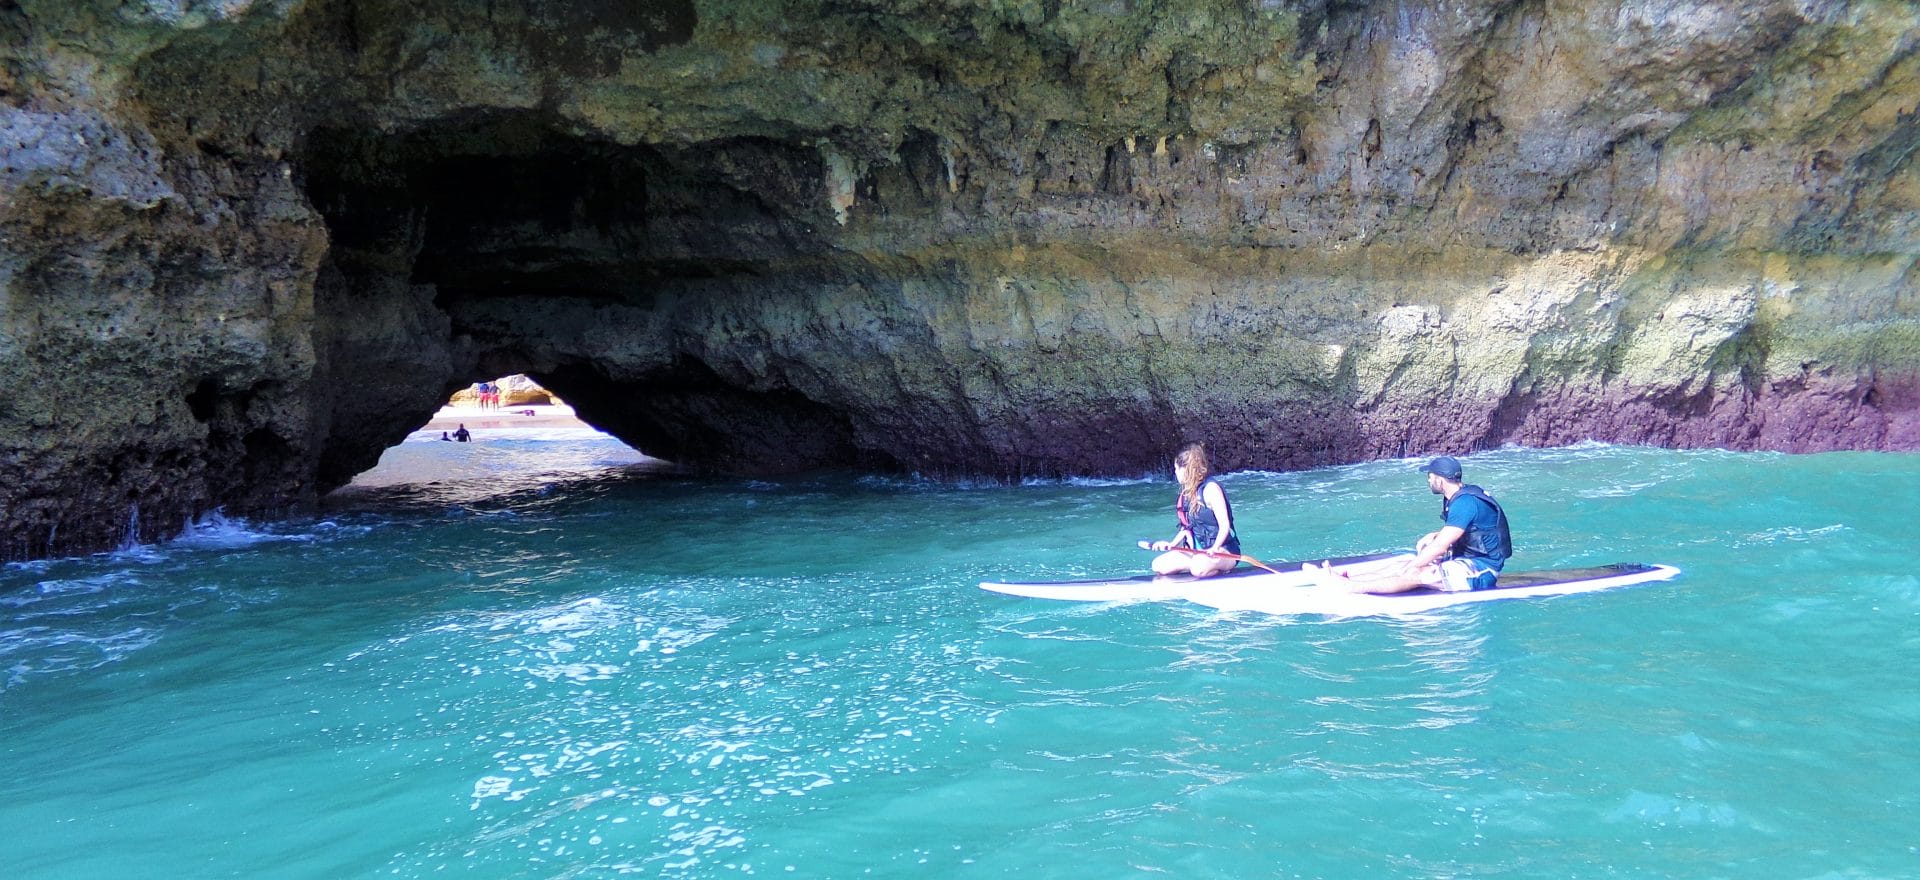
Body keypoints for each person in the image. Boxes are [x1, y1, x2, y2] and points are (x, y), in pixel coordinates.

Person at [1321, 455, 1511, 594]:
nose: (1428, 480)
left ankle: (1350, 587)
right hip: (1468, 559)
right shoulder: (1461, 495)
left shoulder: (1465, 502)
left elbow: (1440, 547)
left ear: (1439, 479)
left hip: (1483, 570)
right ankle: (1345, 578)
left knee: (1417, 572)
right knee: (1404, 562)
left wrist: (1414, 565)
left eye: (1430, 476)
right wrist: (1434, 535)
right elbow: (1469, 529)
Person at [1148, 443, 1241, 578]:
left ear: (1186, 469)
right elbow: (1186, 528)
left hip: (1224, 550)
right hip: (1197, 552)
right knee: (1159, 565)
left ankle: (1217, 568)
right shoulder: (1186, 493)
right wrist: (1171, 544)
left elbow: (1224, 526)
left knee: (1198, 567)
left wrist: (1215, 548)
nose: (1175, 472)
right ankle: (1202, 564)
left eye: (1176, 468)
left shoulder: (1211, 489)